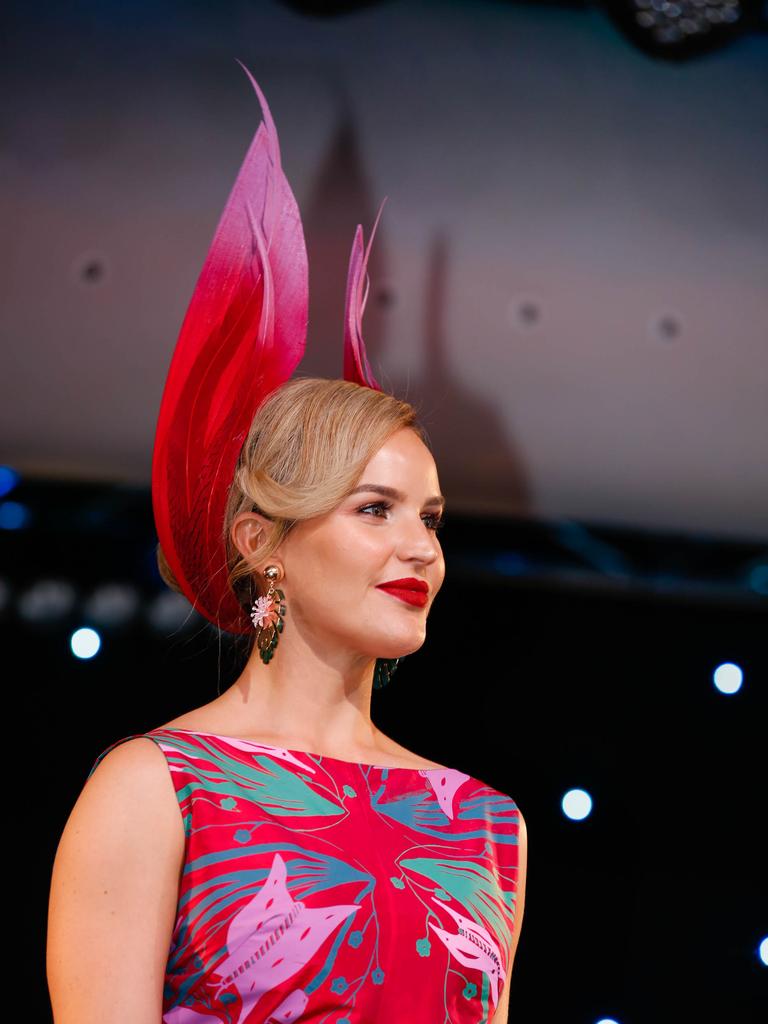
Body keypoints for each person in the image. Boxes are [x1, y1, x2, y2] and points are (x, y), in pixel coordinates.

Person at [46, 65, 527, 1024]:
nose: (422, 551)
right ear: (264, 541)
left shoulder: (482, 824)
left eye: (430, 520)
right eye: (374, 510)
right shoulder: (158, 789)